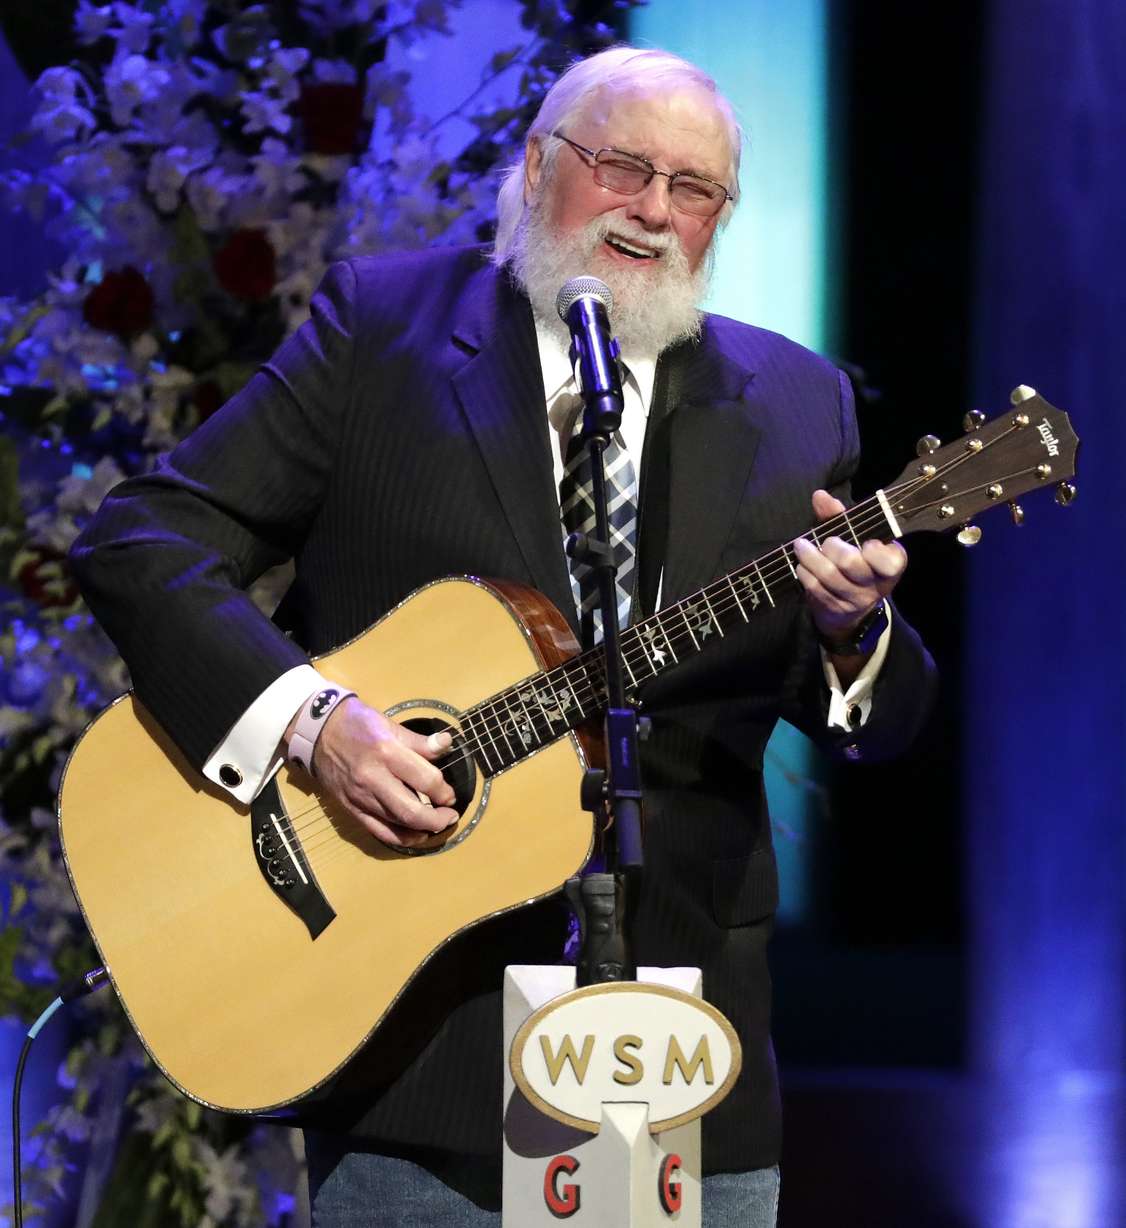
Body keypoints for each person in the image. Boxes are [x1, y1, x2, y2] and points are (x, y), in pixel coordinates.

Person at [71, 45, 935, 1228]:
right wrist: (313, 727)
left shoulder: (793, 401)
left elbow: (879, 722)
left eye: (693, 190)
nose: (652, 211)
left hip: (677, 1054)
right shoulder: (385, 333)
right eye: (623, 166)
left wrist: (852, 632)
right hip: (423, 1049)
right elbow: (147, 540)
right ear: (536, 167)